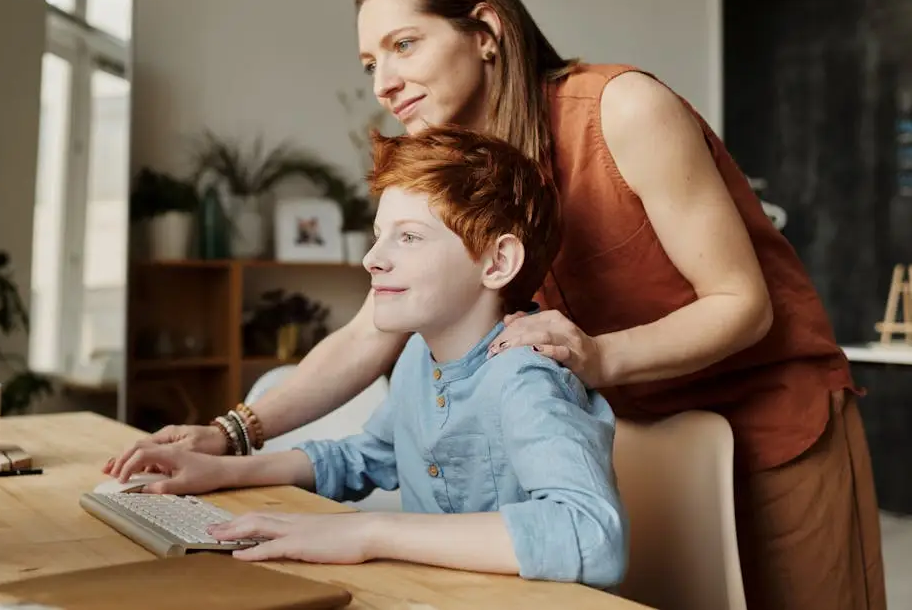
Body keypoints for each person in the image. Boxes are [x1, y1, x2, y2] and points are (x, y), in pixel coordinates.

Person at [108, 0, 885, 608]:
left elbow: (741, 302)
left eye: (404, 44)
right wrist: (229, 433)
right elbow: (368, 333)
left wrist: (597, 355)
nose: (384, 80)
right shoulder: (450, 162)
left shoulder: (622, 109)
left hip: (773, 418)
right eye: (369, 61)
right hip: (631, 427)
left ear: (485, 29)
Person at [108, 127, 628, 587]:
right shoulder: (417, 360)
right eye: (381, 235)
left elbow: (591, 534)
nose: (372, 258)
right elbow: (367, 457)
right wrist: (220, 470)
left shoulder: (526, 377)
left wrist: (369, 531)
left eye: (408, 237)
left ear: (497, 262)